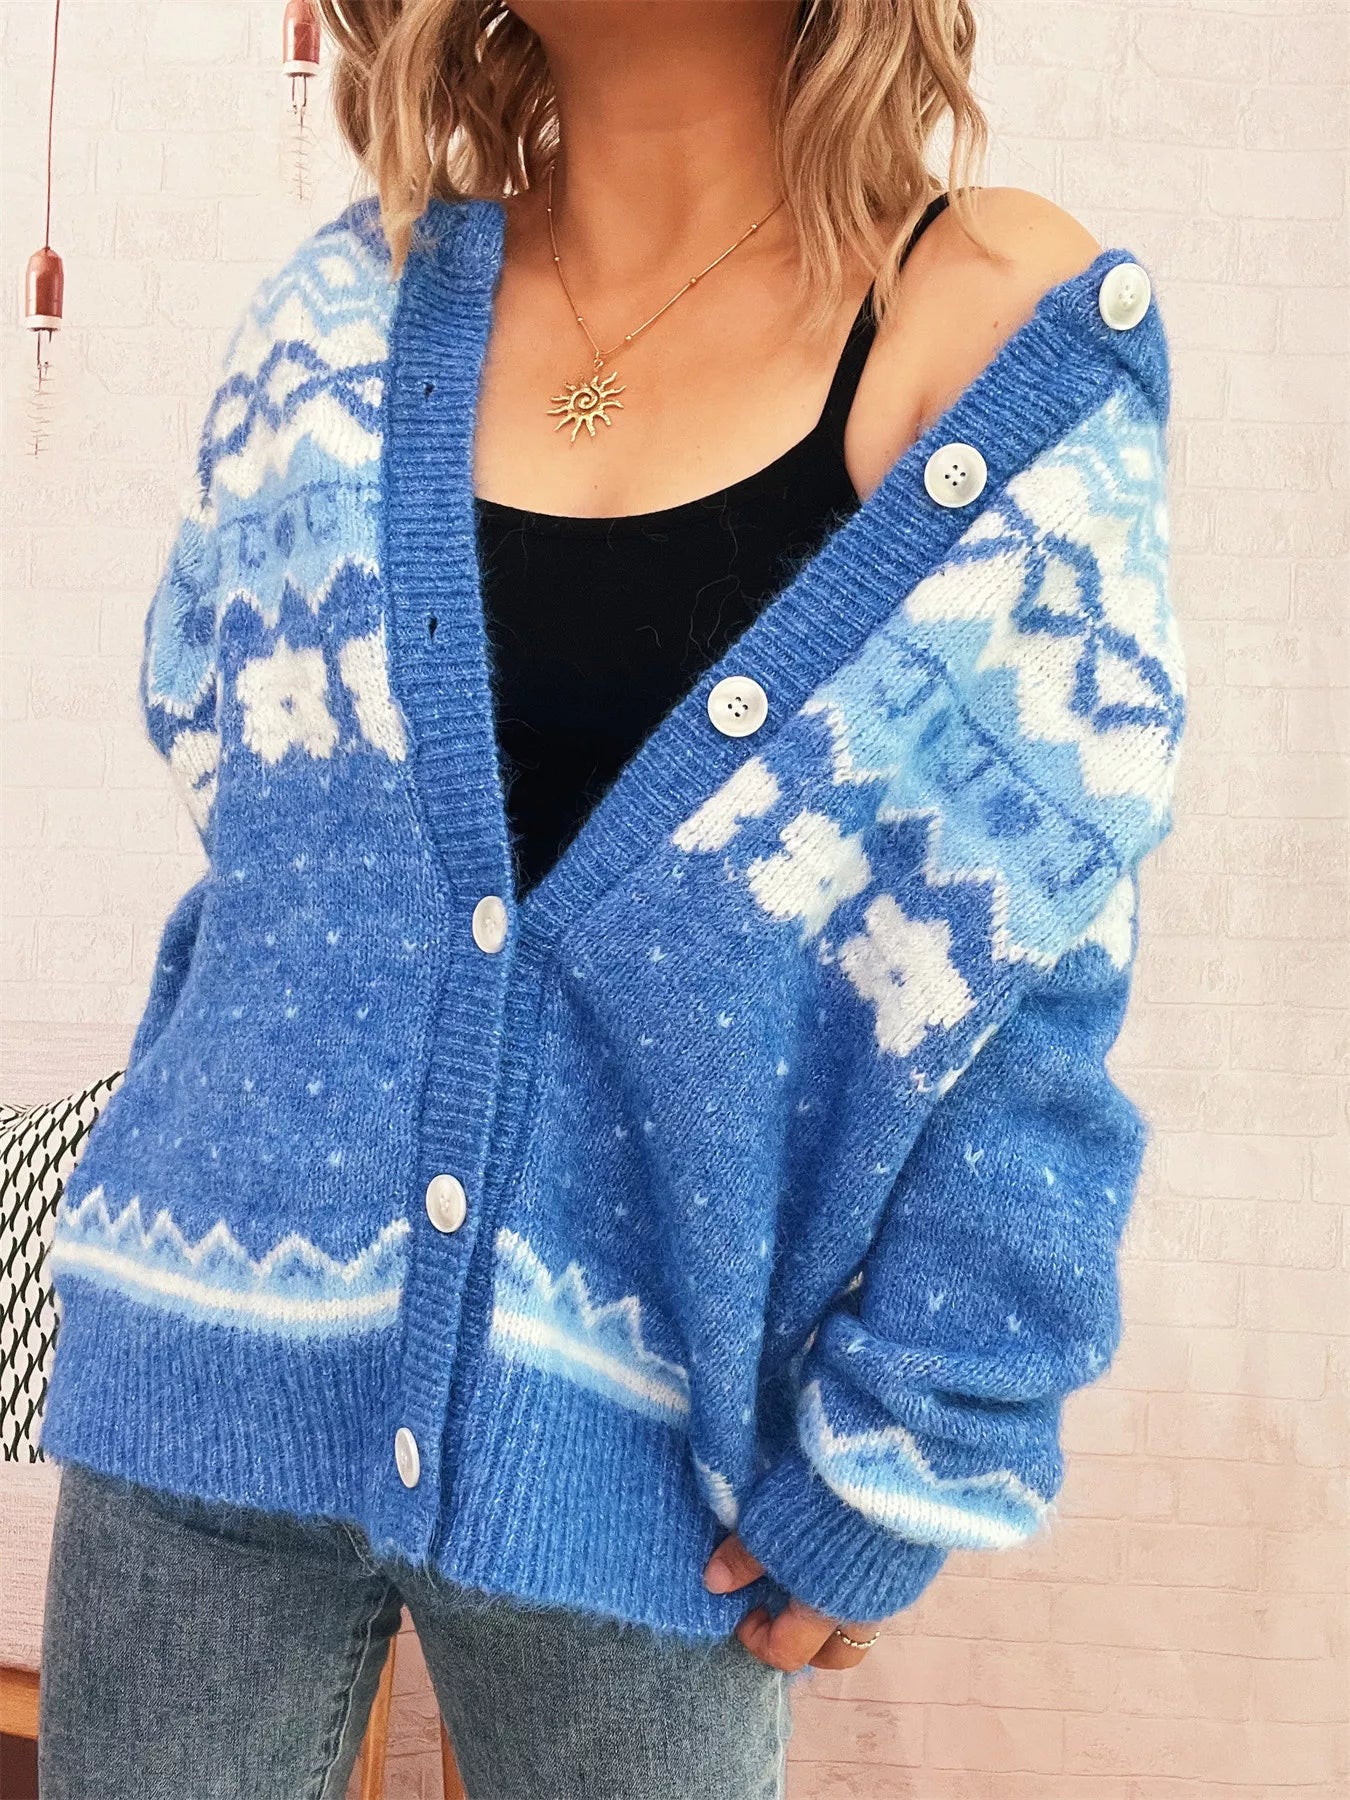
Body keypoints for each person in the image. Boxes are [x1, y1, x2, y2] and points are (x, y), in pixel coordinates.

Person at [37, 4, 1185, 1797]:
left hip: (651, 1456)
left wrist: (917, 1440)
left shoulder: (980, 323)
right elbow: (252, 835)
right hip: (201, 1362)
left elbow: (1028, 967)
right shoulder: (339, 316)